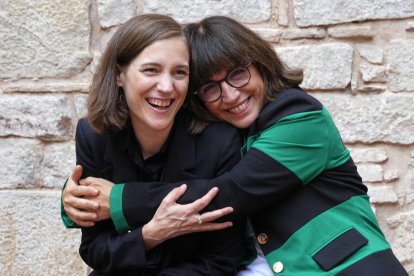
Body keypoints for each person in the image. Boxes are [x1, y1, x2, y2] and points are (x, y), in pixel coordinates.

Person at [64, 16, 408, 275]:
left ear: (260, 66)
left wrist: (114, 199)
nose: (230, 95)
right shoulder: (220, 131)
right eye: (211, 87)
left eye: (238, 75)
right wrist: (73, 201)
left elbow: (230, 192)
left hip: (342, 267)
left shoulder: (300, 117)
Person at [64, 13, 251, 275]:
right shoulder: (93, 135)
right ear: (120, 75)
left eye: (179, 72)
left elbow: (221, 261)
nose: (166, 86)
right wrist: (150, 235)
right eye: (151, 70)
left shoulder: (219, 141)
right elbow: (94, 249)